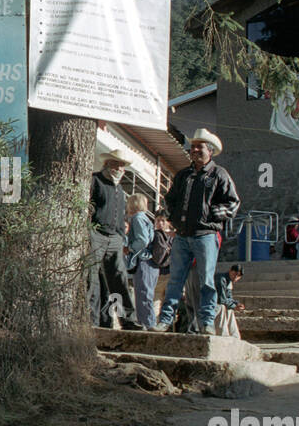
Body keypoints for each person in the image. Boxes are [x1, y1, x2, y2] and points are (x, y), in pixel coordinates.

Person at [152, 129, 241, 333]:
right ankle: (166, 319)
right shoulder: (183, 175)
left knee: (206, 281)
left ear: (210, 151)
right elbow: (170, 199)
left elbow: (233, 203)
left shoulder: (219, 174)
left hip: (206, 236)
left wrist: (210, 215)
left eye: (198, 147)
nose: (194, 150)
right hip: (182, 236)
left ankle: (207, 322)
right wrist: (174, 218)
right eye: (192, 147)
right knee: (175, 280)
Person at [87, 149, 143, 330]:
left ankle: (127, 320)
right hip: (96, 234)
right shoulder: (95, 180)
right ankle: (92, 321)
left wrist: (120, 235)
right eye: (115, 163)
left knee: (118, 280)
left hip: (115, 238)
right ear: (106, 164)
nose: (118, 168)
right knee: (91, 280)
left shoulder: (119, 188)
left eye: (121, 165)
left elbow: (120, 215)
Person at [124, 193, 158, 330]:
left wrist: (129, 248)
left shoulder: (137, 219)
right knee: (146, 293)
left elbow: (142, 240)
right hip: (150, 262)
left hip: (143, 260)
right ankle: (147, 322)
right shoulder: (146, 218)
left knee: (143, 294)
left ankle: (147, 324)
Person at [213, 264, 246, 337]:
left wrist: (236, 304)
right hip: (212, 304)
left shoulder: (229, 281)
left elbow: (229, 297)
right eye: (234, 274)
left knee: (229, 309)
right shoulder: (221, 279)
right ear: (230, 271)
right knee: (222, 307)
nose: (235, 278)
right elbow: (221, 299)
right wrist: (234, 306)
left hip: (220, 303)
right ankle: (223, 335)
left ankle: (235, 337)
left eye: (238, 276)